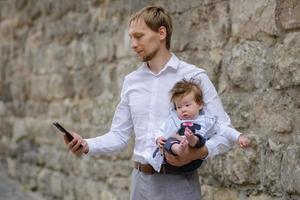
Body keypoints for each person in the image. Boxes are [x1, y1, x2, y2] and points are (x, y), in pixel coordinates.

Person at [64, 5, 244, 200]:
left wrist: (197, 153)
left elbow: (225, 132)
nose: (133, 44)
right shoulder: (131, 81)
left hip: (179, 184)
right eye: (131, 37)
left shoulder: (194, 77)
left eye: (138, 36)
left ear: (161, 33)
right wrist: (86, 144)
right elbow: (119, 136)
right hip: (139, 183)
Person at [148, 79, 250, 173]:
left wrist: (239, 137)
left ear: (200, 104)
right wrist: (158, 138)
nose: (183, 109)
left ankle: (191, 139)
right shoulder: (173, 120)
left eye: (187, 105)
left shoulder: (206, 120)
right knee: (169, 141)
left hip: (193, 157)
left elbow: (225, 130)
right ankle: (179, 148)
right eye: (179, 107)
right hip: (175, 150)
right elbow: (160, 129)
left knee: (200, 140)